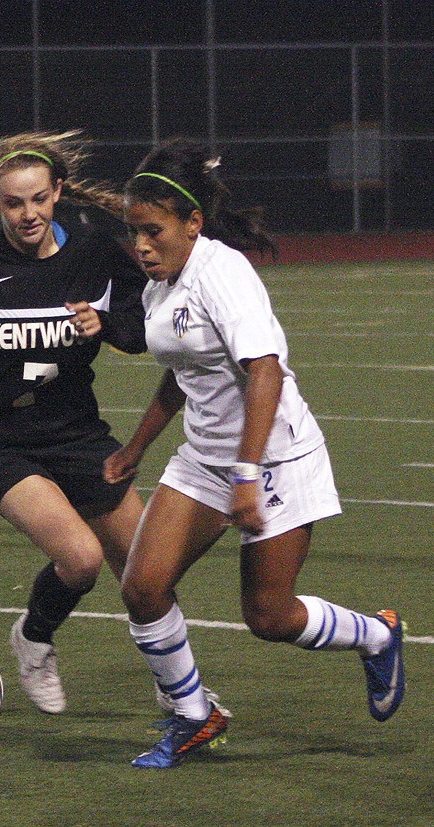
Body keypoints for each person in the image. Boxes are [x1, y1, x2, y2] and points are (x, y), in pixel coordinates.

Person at [104, 137, 406, 769]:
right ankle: (194, 715)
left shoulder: (223, 274)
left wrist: (246, 475)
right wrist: (137, 445)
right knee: (143, 587)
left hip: (274, 459)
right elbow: (184, 371)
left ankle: (378, 635)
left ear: (192, 224)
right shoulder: (162, 281)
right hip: (206, 458)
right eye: (134, 233)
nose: (141, 246)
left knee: (268, 616)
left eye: (153, 232)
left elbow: (264, 372)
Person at [0, 130, 147, 714]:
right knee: (82, 560)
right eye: (14, 203)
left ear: (58, 192)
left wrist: (106, 327)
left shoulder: (96, 255)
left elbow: (142, 334)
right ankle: (34, 639)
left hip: (80, 434)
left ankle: (183, 693)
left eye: (39, 199)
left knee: (147, 574)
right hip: (3, 440)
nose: (28, 214)